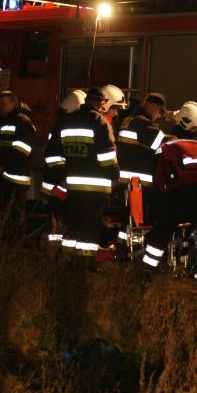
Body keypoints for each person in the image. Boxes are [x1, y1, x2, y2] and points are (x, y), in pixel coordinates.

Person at [141, 133, 197, 292]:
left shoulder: (165, 148)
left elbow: (158, 178)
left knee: (162, 231)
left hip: (179, 192)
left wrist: (163, 199)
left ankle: (146, 272)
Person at [58, 88, 118, 265]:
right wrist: (114, 175)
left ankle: (67, 261)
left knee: (73, 223)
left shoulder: (68, 120)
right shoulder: (99, 121)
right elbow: (107, 155)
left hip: (72, 185)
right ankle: (85, 264)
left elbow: (60, 150)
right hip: (94, 187)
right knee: (90, 226)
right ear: (101, 104)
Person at [116, 92, 167, 239]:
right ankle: (134, 248)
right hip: (137, 181)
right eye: (160, 111)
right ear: (153, 107)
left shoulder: (129, 120)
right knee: (136, 219)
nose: (159, 116)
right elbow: (159, 144)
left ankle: (123, 247)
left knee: (127, 219)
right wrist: (174, 139)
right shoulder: (142, 122)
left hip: (127, 179)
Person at [42, 89, 86, 246]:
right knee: (59, 224)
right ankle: (56, 253)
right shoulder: (63, 126)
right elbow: (53, 156)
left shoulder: (61, 125)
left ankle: (56, 251)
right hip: (58, 186)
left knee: (58, 224)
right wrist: (64, 177)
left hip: (57, 185)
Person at [0, 91, 35, 226]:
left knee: (15, 214)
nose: (0, 107)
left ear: (13, 104)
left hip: (17, 176)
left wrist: (4, 167)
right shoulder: (6, 121)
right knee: (5, 214)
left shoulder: (22, 122)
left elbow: (22, 151)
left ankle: (15, 236)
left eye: (3, 104)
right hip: (5, 175)